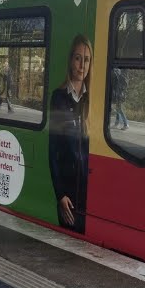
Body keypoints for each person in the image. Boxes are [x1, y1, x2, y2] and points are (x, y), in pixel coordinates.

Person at [49, 35, 92, 233]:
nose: (82, 65)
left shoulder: (93, 99)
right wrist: (60, 194)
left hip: (89, 190)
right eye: (77, 58)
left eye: (87, 59)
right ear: (70, 60)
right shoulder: (58, 98)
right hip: (68, 194)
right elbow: (53, 150)